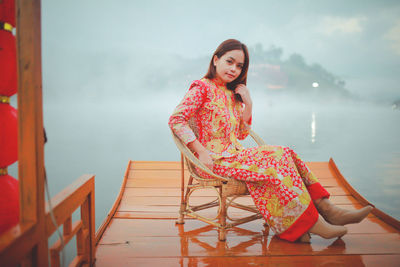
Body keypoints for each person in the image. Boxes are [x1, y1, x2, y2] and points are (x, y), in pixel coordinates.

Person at [168, 39, 373, 242]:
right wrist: (201, 151)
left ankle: (326, 210)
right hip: (212, 162)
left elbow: (240, 135)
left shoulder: (232, 93)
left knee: (285, 153)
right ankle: (315, 220)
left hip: (234, 156)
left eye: (239, 66)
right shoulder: (201, 88)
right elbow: (176, 120)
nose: (234, 69)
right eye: (229, 62)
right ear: (216, 59)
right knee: (277, 158)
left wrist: (248, 103)